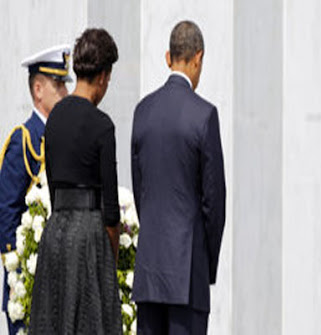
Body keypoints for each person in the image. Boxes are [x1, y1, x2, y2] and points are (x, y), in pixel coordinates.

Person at [131, 21, 226, 335]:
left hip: (149, 271)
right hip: (188, 274)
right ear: (198, 58)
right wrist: (206, 265)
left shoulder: (142, 111)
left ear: (167, 57)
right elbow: (214, 203)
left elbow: (140, 189)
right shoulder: (204, 115)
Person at [29, 28, 122, 334]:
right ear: (103, 76)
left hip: (55, 235)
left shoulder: (54, 118)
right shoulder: (102, 125)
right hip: (89, 238)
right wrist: (109, 263)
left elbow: (54, 185)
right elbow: (111, 211)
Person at [0, 44, 71, 335]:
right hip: (28, 282)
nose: (65, 94)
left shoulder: (62, 137)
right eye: (58, 86)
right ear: (38, 89)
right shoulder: (24, 139)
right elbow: (7, 213)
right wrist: (19, 273)